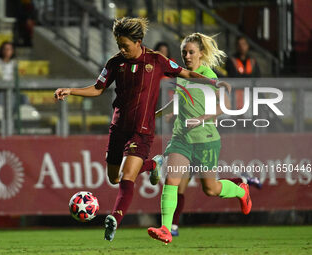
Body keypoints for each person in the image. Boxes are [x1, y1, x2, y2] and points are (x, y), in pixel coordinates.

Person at [54, 17, 231, 242]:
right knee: (114, 177)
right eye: (119, 45)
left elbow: (186, 74)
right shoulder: (114, 63)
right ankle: (154, 164)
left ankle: (115, 219)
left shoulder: (156, 60)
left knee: (128, 176)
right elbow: (98, 89)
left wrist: (212, 83)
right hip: (118, 128)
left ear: (138, 42)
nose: (122, 50)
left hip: (142, 130)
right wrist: (71, 90)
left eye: (125, 46)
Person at [147, 32, 252, 244]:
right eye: (184, 52)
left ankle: (240, 190)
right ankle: (166, 228)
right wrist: (157, 113)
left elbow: (225, 107)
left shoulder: (209, 76)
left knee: (210, 189)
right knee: (171, 180)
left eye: (191, 52)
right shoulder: (182, 75)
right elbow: (180, 101)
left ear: (201, 54)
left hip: (206, 139)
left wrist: (201, 119)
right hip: (181, 138)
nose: (186, 56)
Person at [225, 36, 261, 109]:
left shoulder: (252, 60)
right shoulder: (231, 60)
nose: (241, 47)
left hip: (251, 92)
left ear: (247, 46)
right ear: (236, 46)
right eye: (239, 44)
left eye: (243, 44)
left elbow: (257, 76)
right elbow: (232, 76)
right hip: (235, 92)